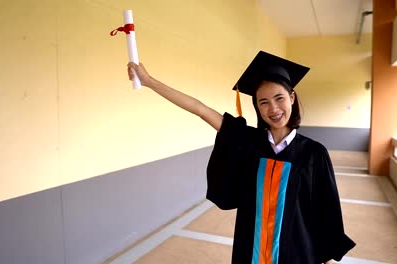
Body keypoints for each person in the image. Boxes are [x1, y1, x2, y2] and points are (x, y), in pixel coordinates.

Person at [127, 51, 355, 264]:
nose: (273, 108)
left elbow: (326, 211)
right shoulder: (248, 142)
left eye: (279, 98)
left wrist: (324, 256)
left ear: (292, 98)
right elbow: (199, 108)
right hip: (250, 251)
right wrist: (149, 81)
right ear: (256, 106)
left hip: (296, 253)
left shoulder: (314, 153)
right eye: (263, 102)